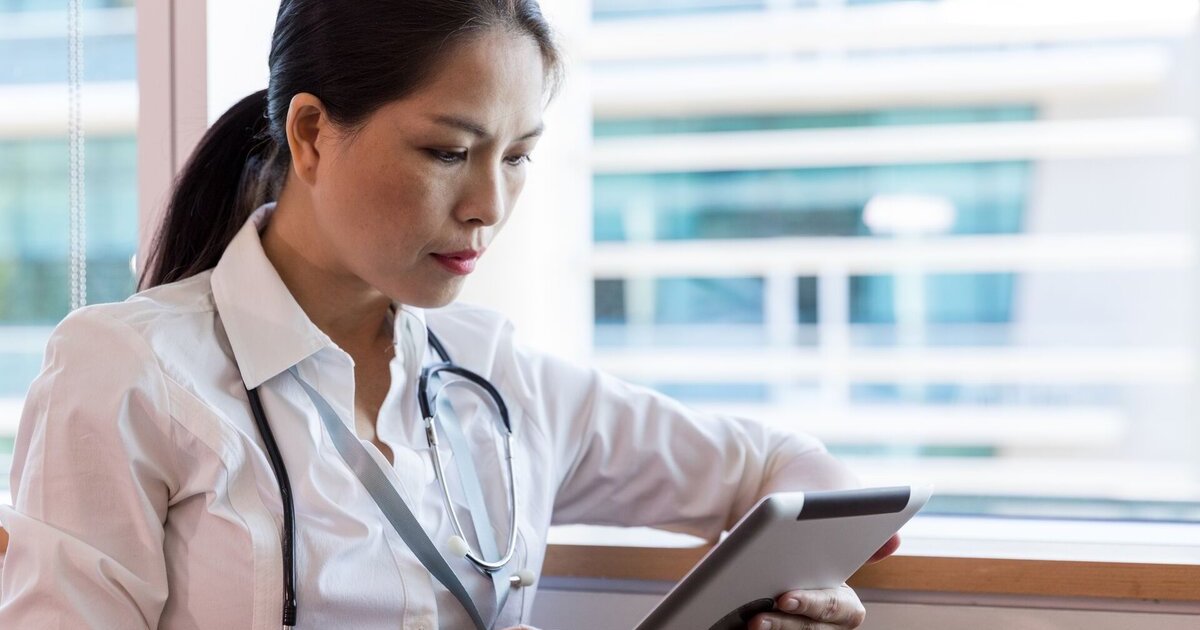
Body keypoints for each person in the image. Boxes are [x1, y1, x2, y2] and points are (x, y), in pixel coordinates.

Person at [0, 1, 898, 628]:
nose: (487, 205)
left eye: (517, 157)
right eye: (449, 151)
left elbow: (790, 473)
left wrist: (802, 585)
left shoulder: (497, 377)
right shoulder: (128, 372)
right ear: (312, 134)